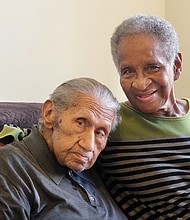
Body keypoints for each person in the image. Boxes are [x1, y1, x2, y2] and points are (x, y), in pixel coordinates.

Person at [98, 15, 190, 219]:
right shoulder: (109, 121)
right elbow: (49, 134)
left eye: (152, 67)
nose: (140, 84)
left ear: (176, 66)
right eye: (128, 71)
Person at [0, 78, 127, 220]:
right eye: (80, 123)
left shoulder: (90, 167)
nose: (89, 145)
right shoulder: (9, 166)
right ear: (49, 113)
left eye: (100, 133)